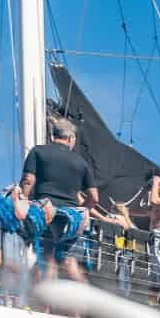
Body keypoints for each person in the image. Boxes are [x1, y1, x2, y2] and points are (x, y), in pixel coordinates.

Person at [19, 116, 97, 273]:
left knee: (45, 258)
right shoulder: (81, 162)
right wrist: (83, 209)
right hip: (69, 219)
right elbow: (94, 197)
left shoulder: (38, 151)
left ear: (54, 136)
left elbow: (28, 180)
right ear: (69, 138)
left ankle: (42, 293)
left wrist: (23, 202)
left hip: (44, 212)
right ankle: (78, 290)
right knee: (64, 260)